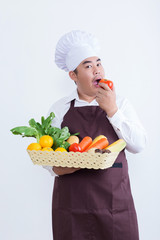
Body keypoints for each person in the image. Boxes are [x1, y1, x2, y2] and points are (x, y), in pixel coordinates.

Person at [44, 30, 147, 240]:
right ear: (73, 75)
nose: (96, 70)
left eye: (98, 63)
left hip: (114, 207)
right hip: (72, 209)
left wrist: (112, 111)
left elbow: (139, 144)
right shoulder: (60, 108)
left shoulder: (121, 104)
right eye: (88, 66)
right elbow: (48, 158)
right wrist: (62, 166)